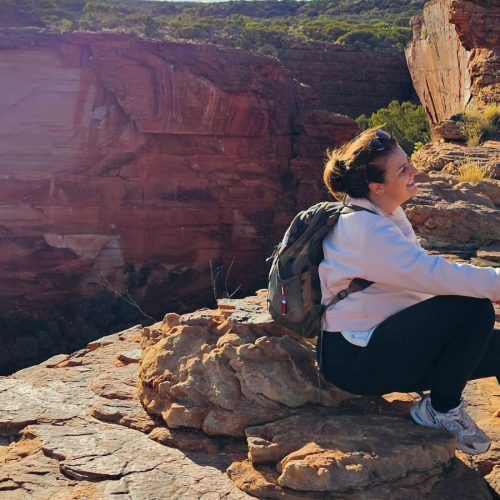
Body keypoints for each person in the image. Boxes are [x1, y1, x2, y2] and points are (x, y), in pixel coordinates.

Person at [317, 126, 500, 455]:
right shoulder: (365, 231)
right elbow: (432, 275)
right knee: (472, 309)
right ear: (376, 186)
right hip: (355, 361)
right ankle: (441, 408)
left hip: (382, 341)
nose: (415, 171)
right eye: (403, 169)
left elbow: (420, 278)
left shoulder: (380, 213)